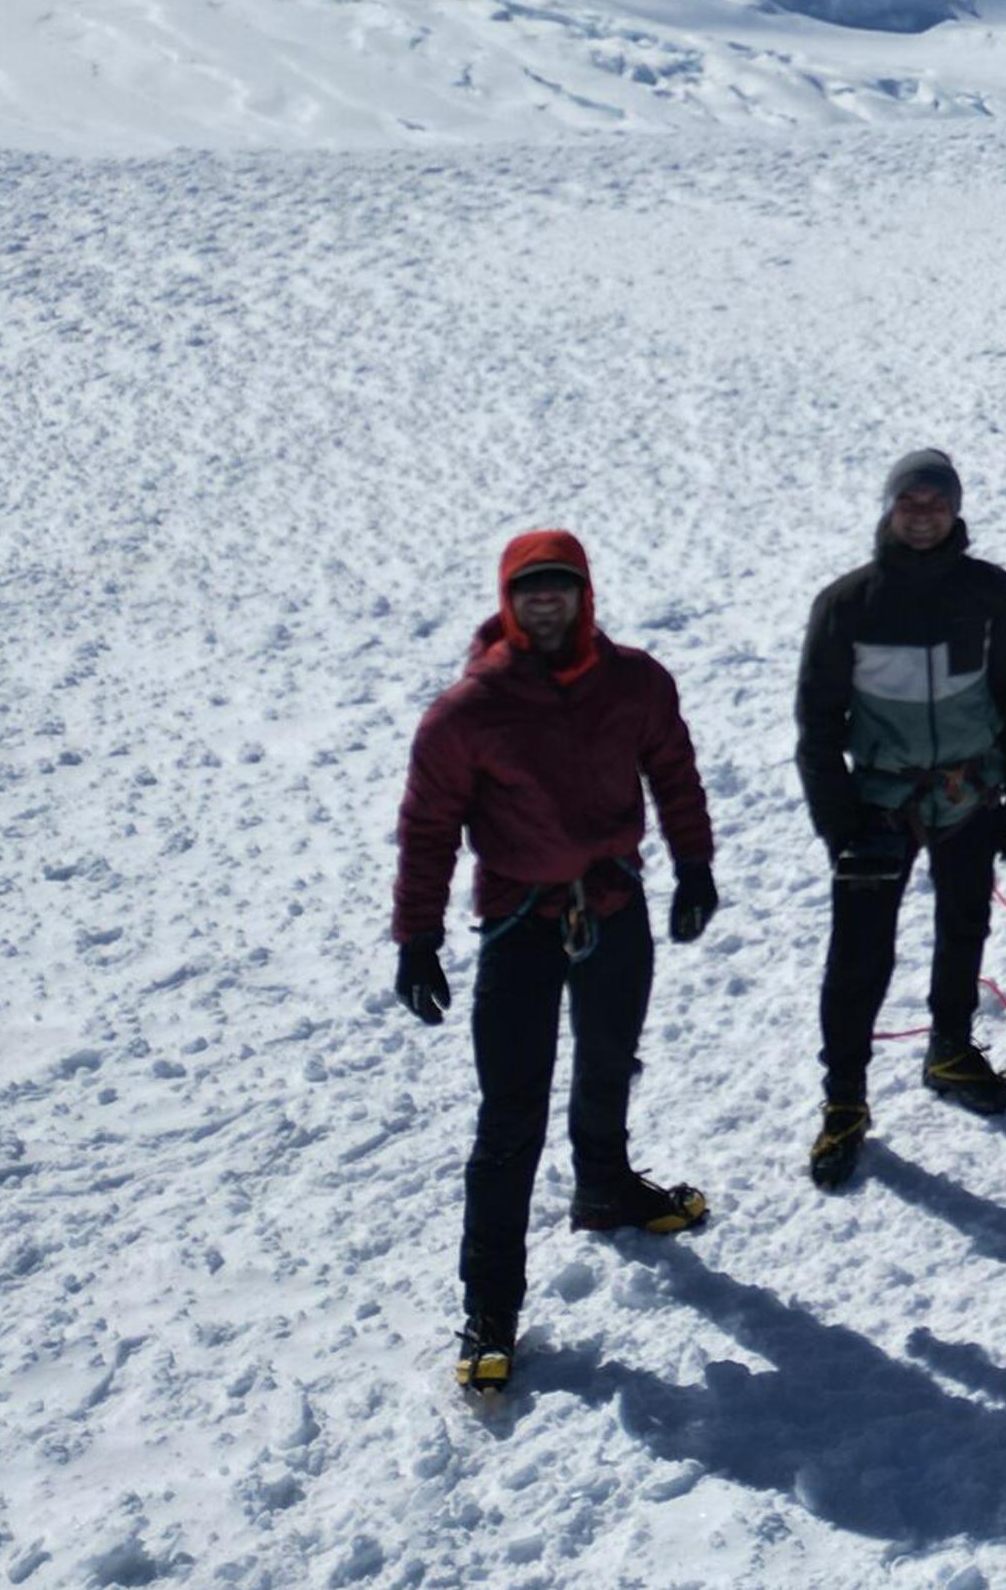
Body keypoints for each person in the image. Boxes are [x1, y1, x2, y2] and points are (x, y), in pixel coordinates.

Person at [392, 528, 718, 1390]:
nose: (546, 600)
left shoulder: (635, 682)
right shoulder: (468, 712)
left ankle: (604, 1188)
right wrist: (417, 937)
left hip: (614, 905)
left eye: (560, 586)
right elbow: (428, 830)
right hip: (520, 923)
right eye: (530, 588)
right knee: (509, 1120)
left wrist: (694, 865)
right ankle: (489, 1311)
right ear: (509, 599)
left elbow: (674, 771)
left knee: (609, 1062)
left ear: (584, 594)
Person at [793, 449, 1006, 1190]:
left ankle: (950, 1048)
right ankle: (844, 1100)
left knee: (965, 923)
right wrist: (840, 828)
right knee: (860, 954)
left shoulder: (987, 590)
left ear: (956, 509)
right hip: (881, 804)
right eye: (911, 502)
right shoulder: (848, 603)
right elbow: (816, 726)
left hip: (968, 792)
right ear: (890, 509)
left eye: (937, 502)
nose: (924, 514)